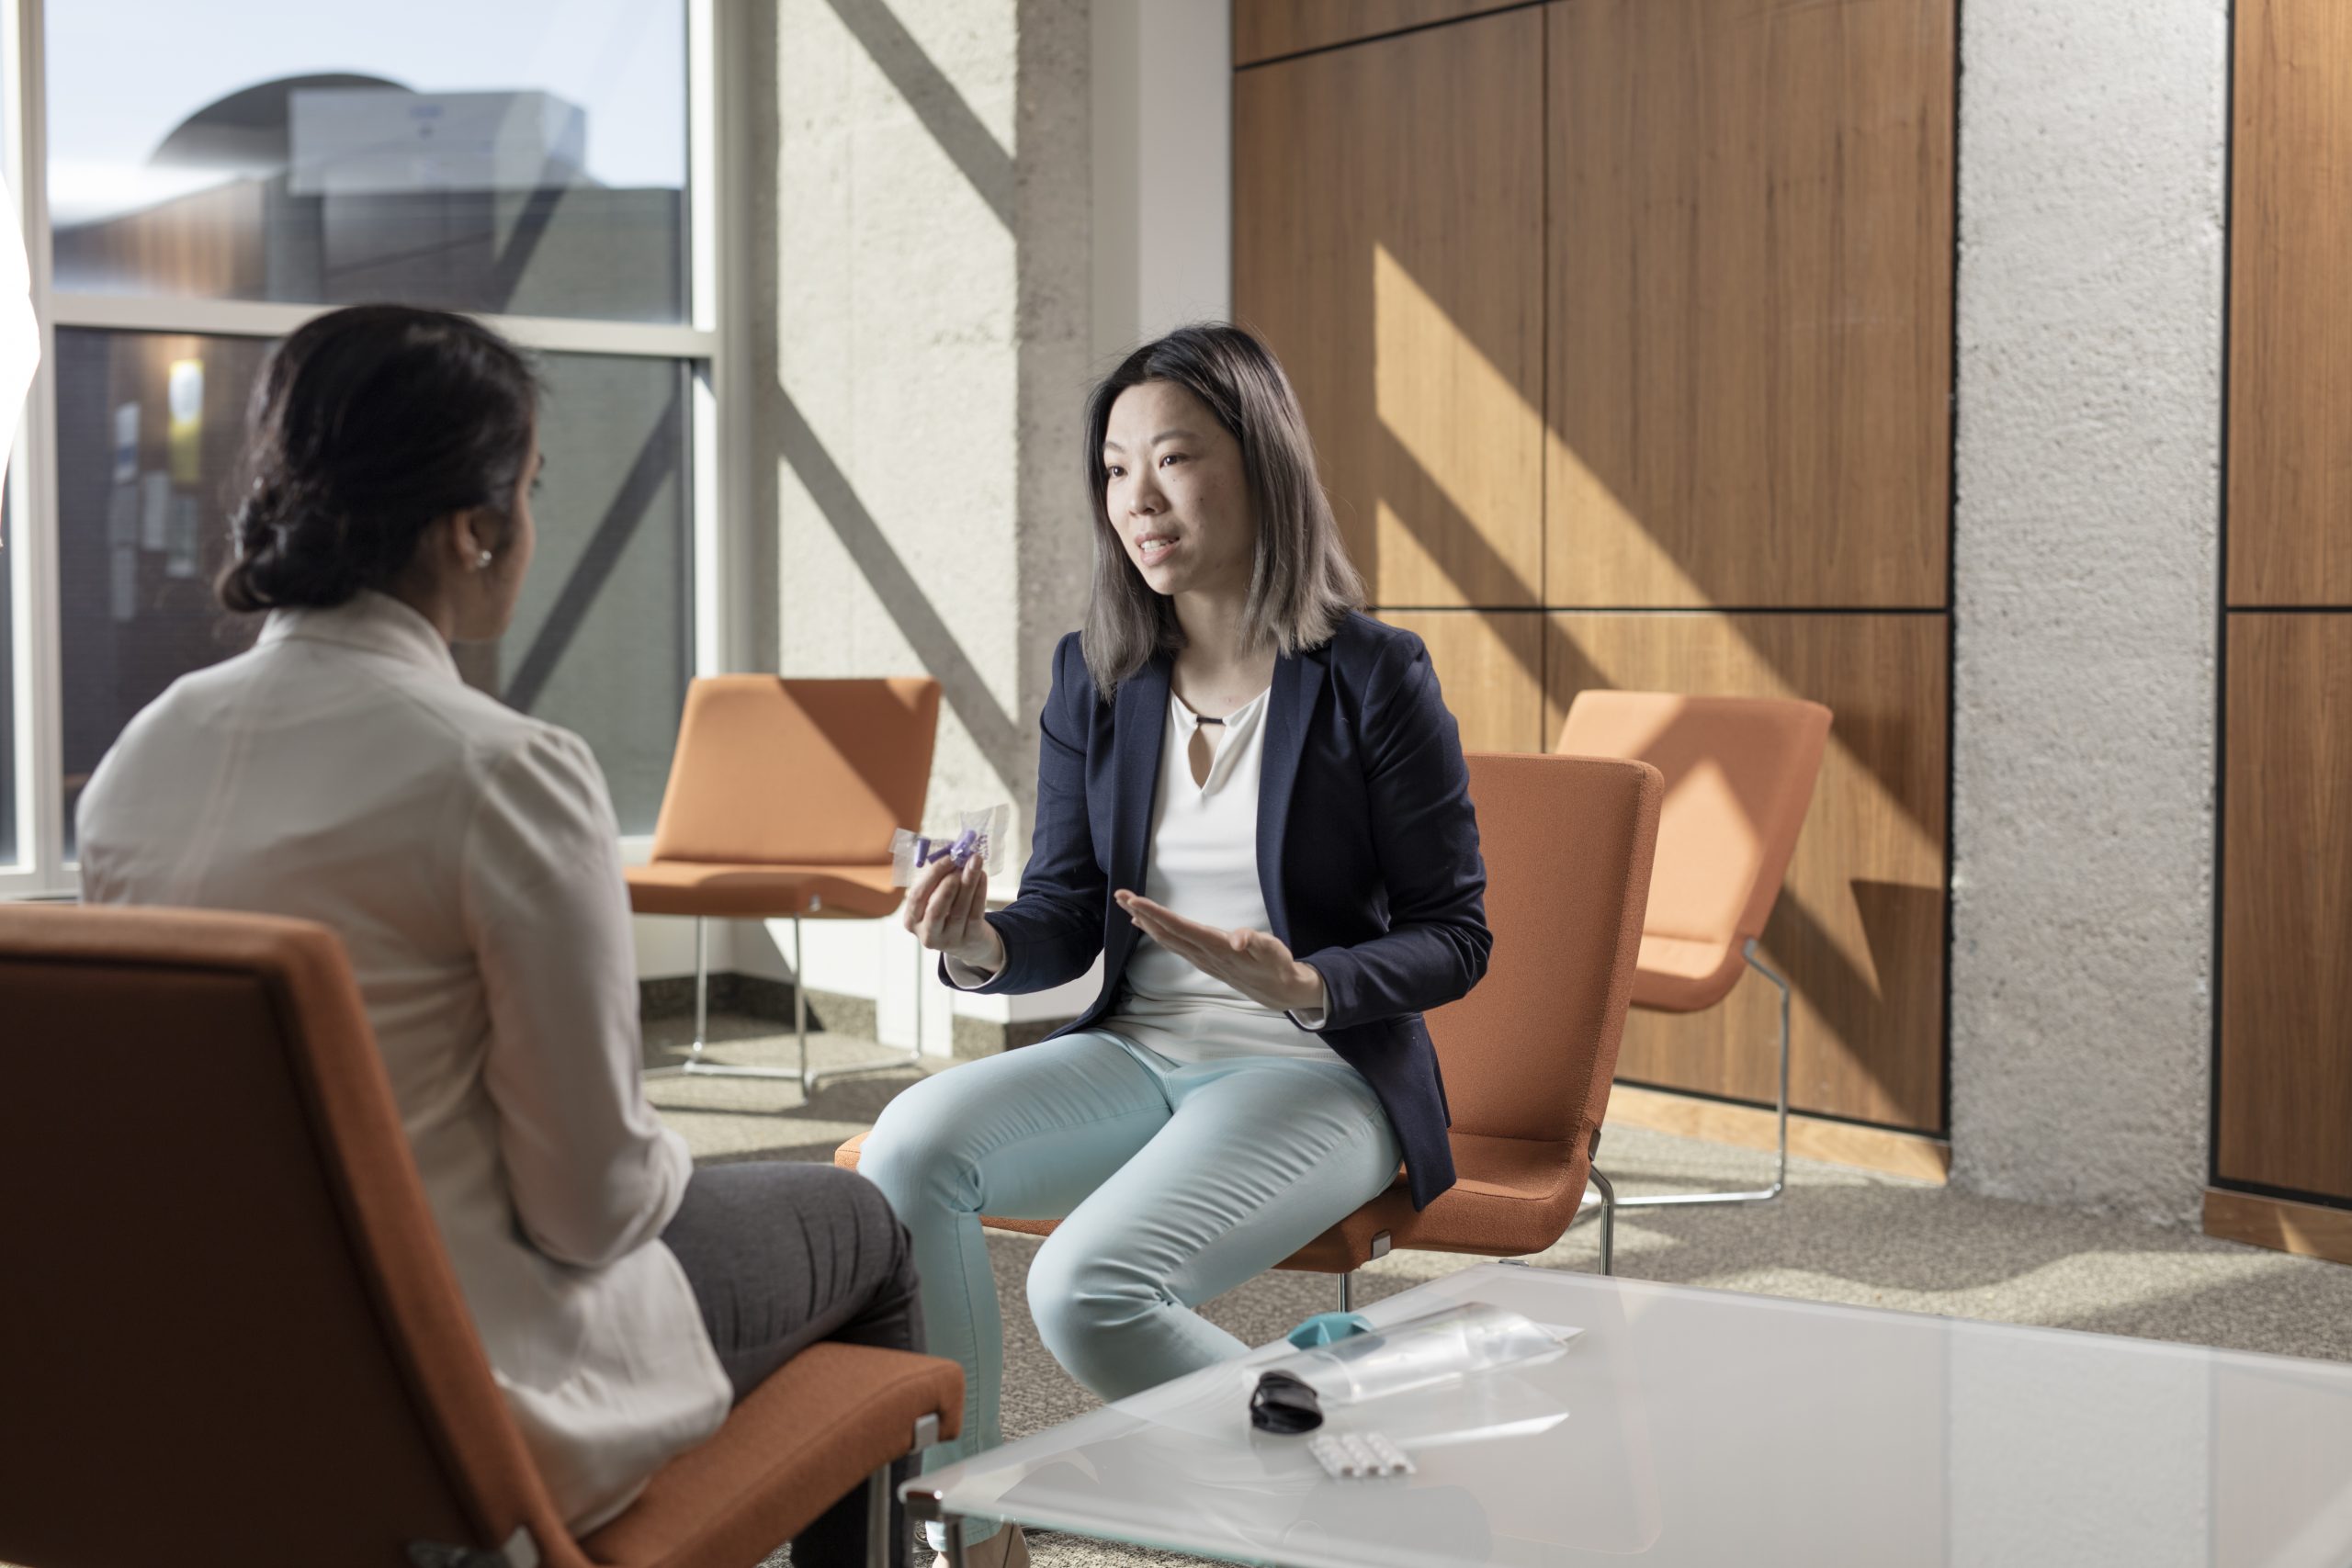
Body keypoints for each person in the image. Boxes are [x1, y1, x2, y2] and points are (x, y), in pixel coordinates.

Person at [75, 305, 923, 1564]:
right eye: (527, 490)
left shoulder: (138, 762)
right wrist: (663, 1158)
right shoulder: (502, 772)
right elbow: (589, 1209)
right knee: (865, 1225)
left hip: (211, 1374)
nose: (528, 524)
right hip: (461, 1389)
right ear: (473, 530)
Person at [859, 323, 1491, 1568]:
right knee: (908, 1145)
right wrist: (978, 940)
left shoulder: (1373, 674)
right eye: (1112, 470)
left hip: (1315, 1071)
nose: (1135, 500)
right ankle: (971, 1531)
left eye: (1174, 461)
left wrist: (1310, 982)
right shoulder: (1096, 676)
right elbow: (1063, 912)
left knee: (1085, 1292)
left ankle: (1360, 1490)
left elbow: (1456, 935)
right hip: (1141, 1052)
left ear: (1259, 467)